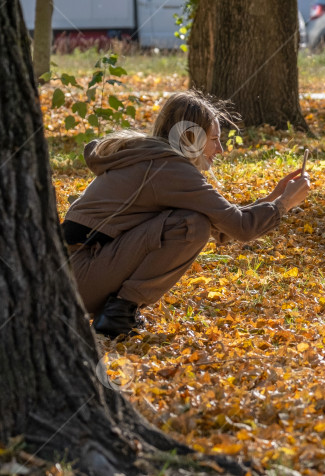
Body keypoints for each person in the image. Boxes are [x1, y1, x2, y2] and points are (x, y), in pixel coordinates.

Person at [62, 90, 310, 337]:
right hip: (79, 279)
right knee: (190, 226)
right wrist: (285, 203)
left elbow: (223, 228)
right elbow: (241, 228)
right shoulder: (168, 168)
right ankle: (117, 316)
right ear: (192, 137)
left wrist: (274, 198)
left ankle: (118, 311)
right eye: (214, 139)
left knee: (195, 222)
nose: (220, 149)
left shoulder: (154, 159)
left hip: (72, 275)